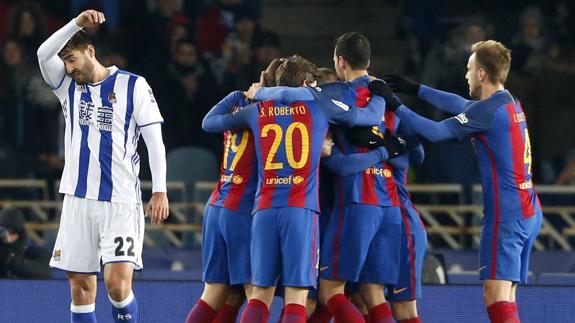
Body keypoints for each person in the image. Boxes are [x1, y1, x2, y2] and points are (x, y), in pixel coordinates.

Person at [203, 55, 388, 323]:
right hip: (300, 210)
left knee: (259, 296)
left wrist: (236, 97)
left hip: (263, 209)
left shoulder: (258, 110)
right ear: (305, 83)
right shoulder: (320, 108)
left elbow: (212, 123)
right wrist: (380, 94)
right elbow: (369, 116)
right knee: (298, 297)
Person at [383, 40, 543, 323]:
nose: (465, 75)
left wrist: (396, 105)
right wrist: (415, 88)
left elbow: (433, 132)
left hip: (506, 215)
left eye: (469, 69)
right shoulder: (508, 102)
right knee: (506, 296)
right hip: (529, 209)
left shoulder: (485, 111)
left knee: (494, 297)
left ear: (482, 74)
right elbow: (460, 104)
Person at [249, 32, 403, 323]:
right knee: (359, 293)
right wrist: (385, 112)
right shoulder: (342, 100)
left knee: (312, 293)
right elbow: (412, 151)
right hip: (374, 204)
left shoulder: (263, 109)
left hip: (315, 205)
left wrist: (259, 93)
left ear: (340, 61)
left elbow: (212, 122)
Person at [36, 9, 169, 323]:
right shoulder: (68, 87)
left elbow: (154, 141)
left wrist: (160, 189)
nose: (68, 68)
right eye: (64, 62)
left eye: (71, 59)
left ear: (90, 51)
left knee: (116, 287)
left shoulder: (133, 86)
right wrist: (76, 24)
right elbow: (43, 53)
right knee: (80, 285)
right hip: (77, 200)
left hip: (120, 202)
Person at [184, 57, 285, 323]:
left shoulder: (239, 102)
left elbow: (208, 122)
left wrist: (239, 95)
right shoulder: (272, 115)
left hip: (218, 204)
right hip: (242, 210)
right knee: (256, 293)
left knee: (218, 294)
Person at [0, 207, 52, 279]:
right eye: (3, 231)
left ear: (20, 232)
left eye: (12, 231)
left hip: (26, 289)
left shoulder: (36, 253)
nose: (7, 235)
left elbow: (45, 274)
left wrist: (11, 260)